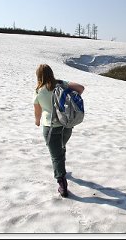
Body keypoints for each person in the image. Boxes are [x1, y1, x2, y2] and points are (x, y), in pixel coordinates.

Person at [33, 64, 85, 197]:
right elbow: (81, 88)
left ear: (38, 76)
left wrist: (37, 121)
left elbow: (37, 110)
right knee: (61, 147)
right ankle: (62, 168)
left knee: (56, 156)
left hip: (50, 127)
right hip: (66, 124)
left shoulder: (39, 90)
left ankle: (62, 184)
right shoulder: (62, 84)